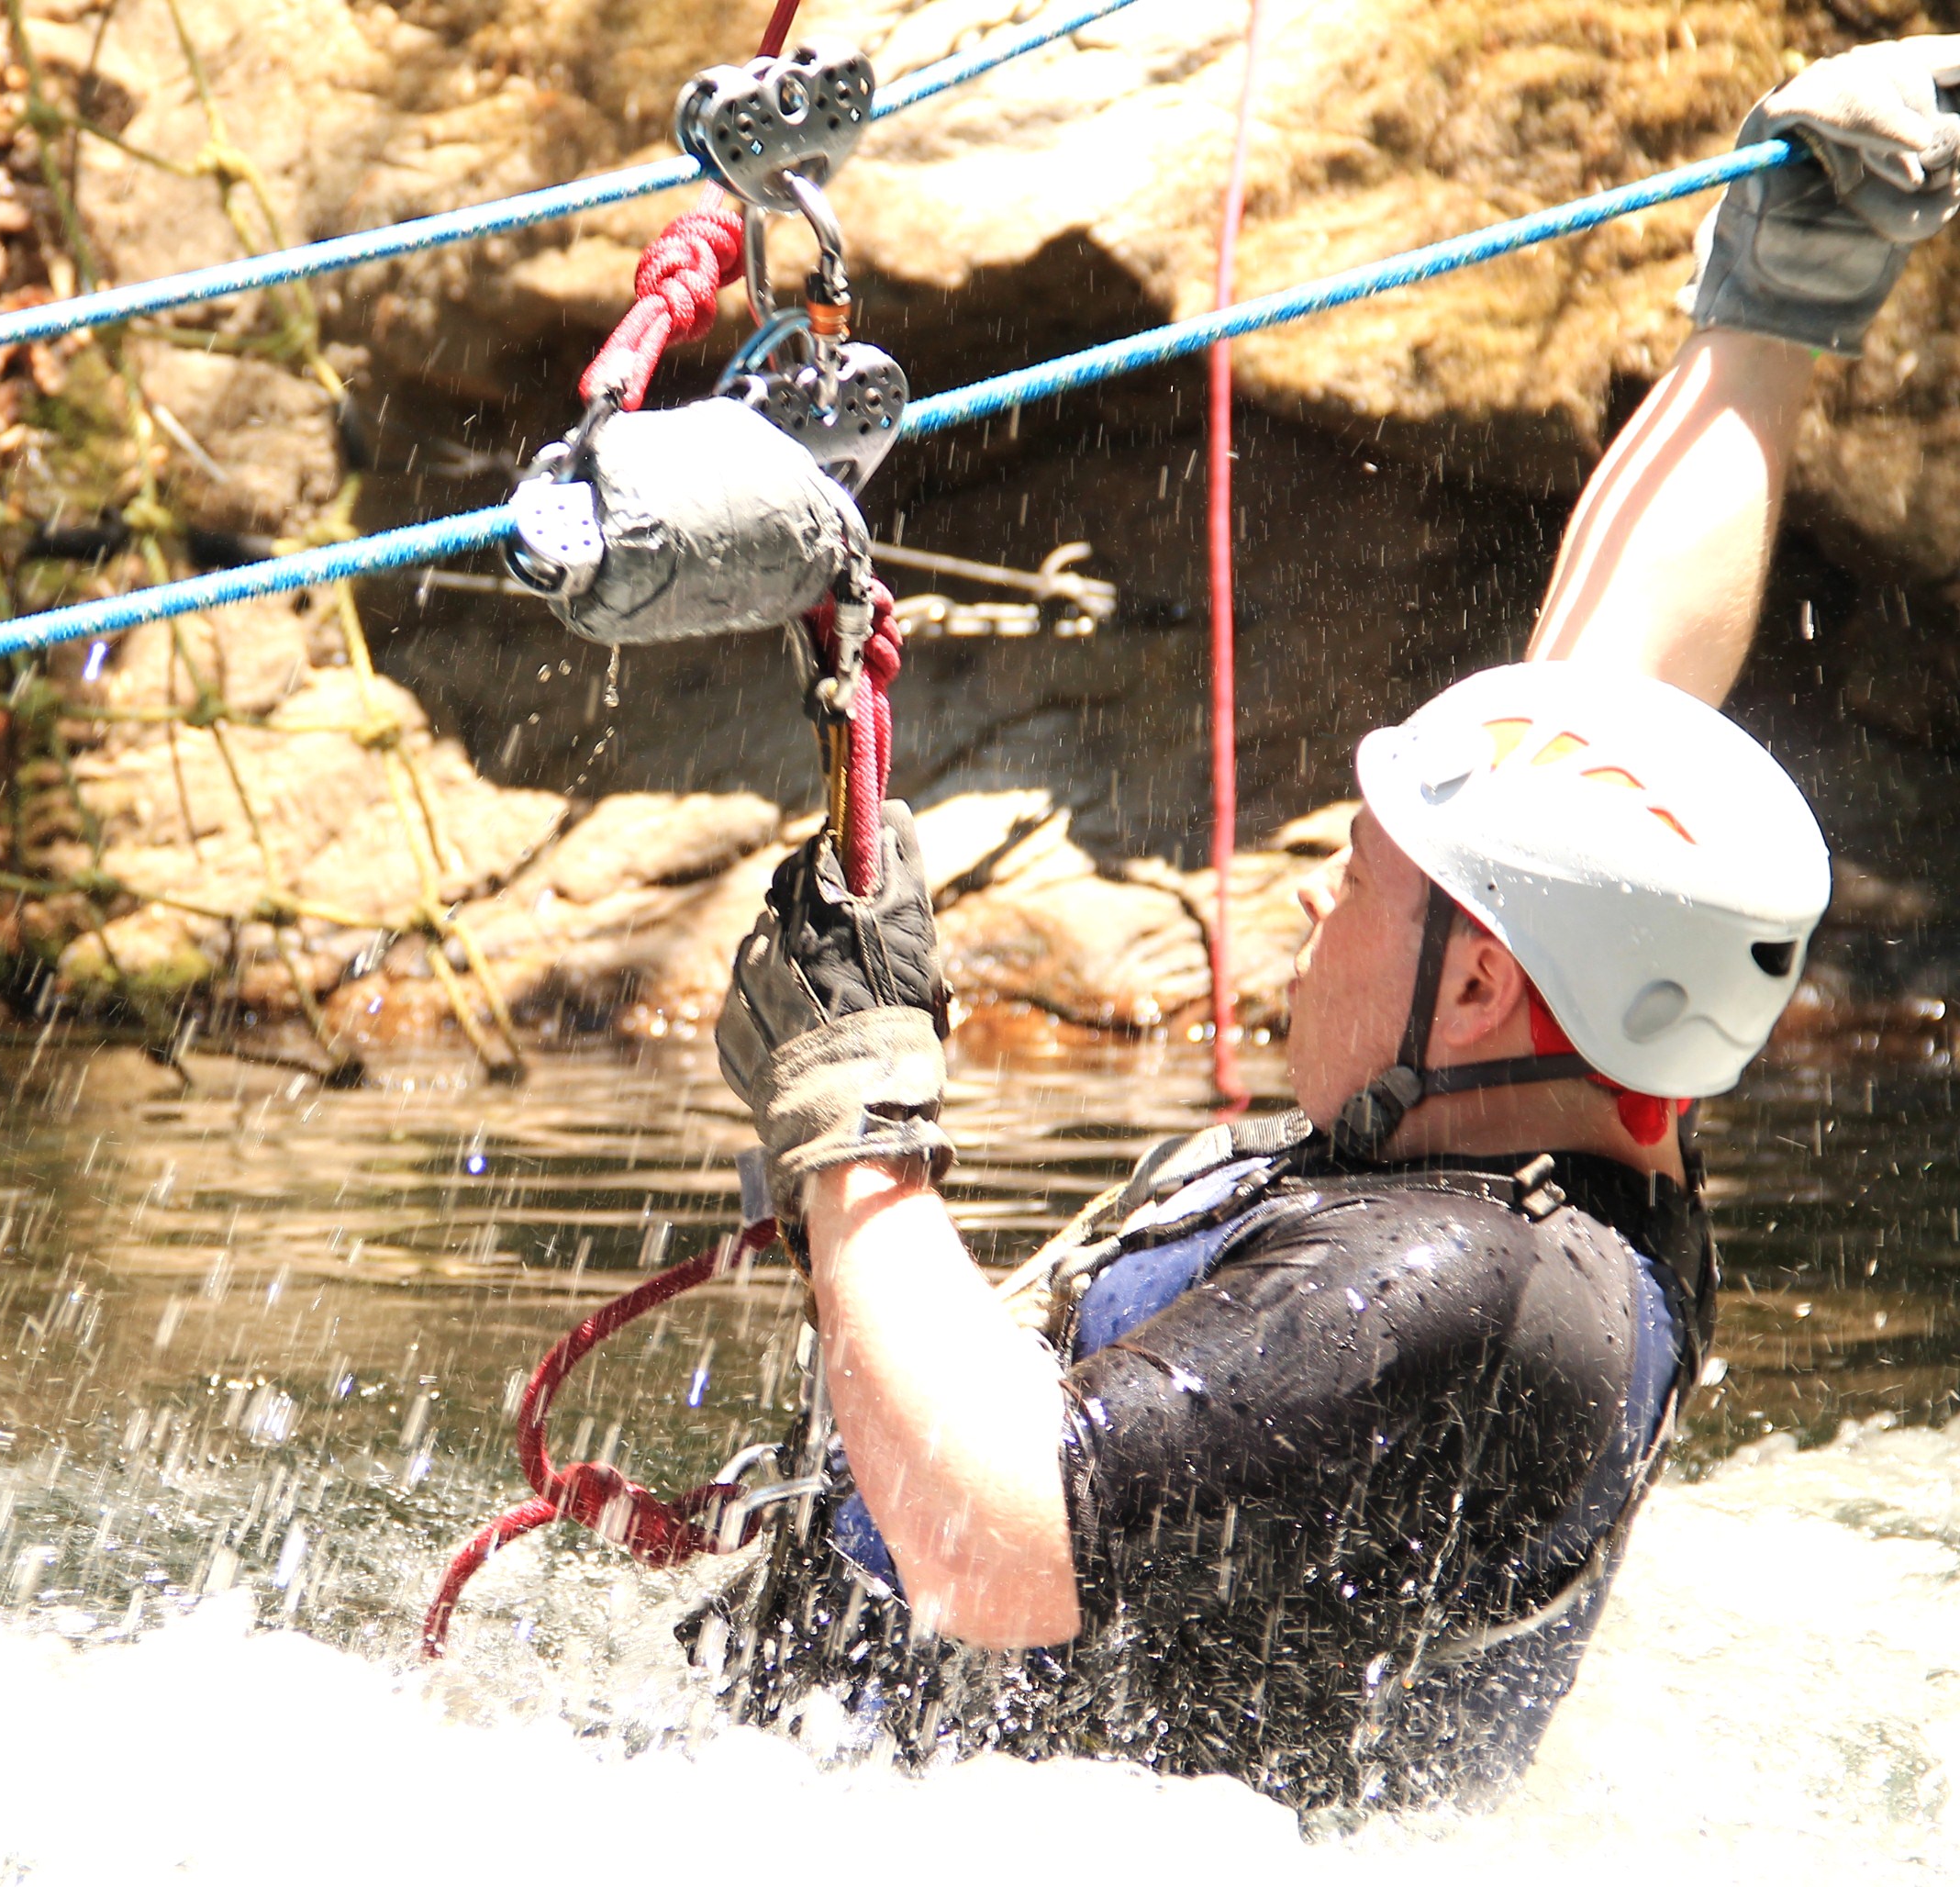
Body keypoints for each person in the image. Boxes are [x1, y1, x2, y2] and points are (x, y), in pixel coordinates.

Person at [695, 38, 1960, 1816]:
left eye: (1358, 870)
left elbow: (992, 1552)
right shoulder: (1584, 1098)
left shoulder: (1457, 1293)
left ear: (1481, 977)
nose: (1309, 892)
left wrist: (856, 1116)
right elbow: (1611, 689)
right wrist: (1773, 312)